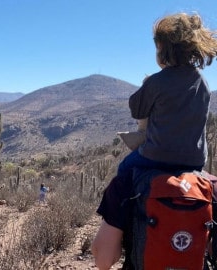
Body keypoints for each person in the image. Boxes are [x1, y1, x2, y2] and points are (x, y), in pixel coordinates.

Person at [91, 12, 217, 270]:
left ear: (164, 50)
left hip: (154, 156)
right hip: (194, 161)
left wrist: (147, 84)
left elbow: (137, 110)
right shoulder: (202, 83)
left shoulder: (158, 82)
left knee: (124, 170)